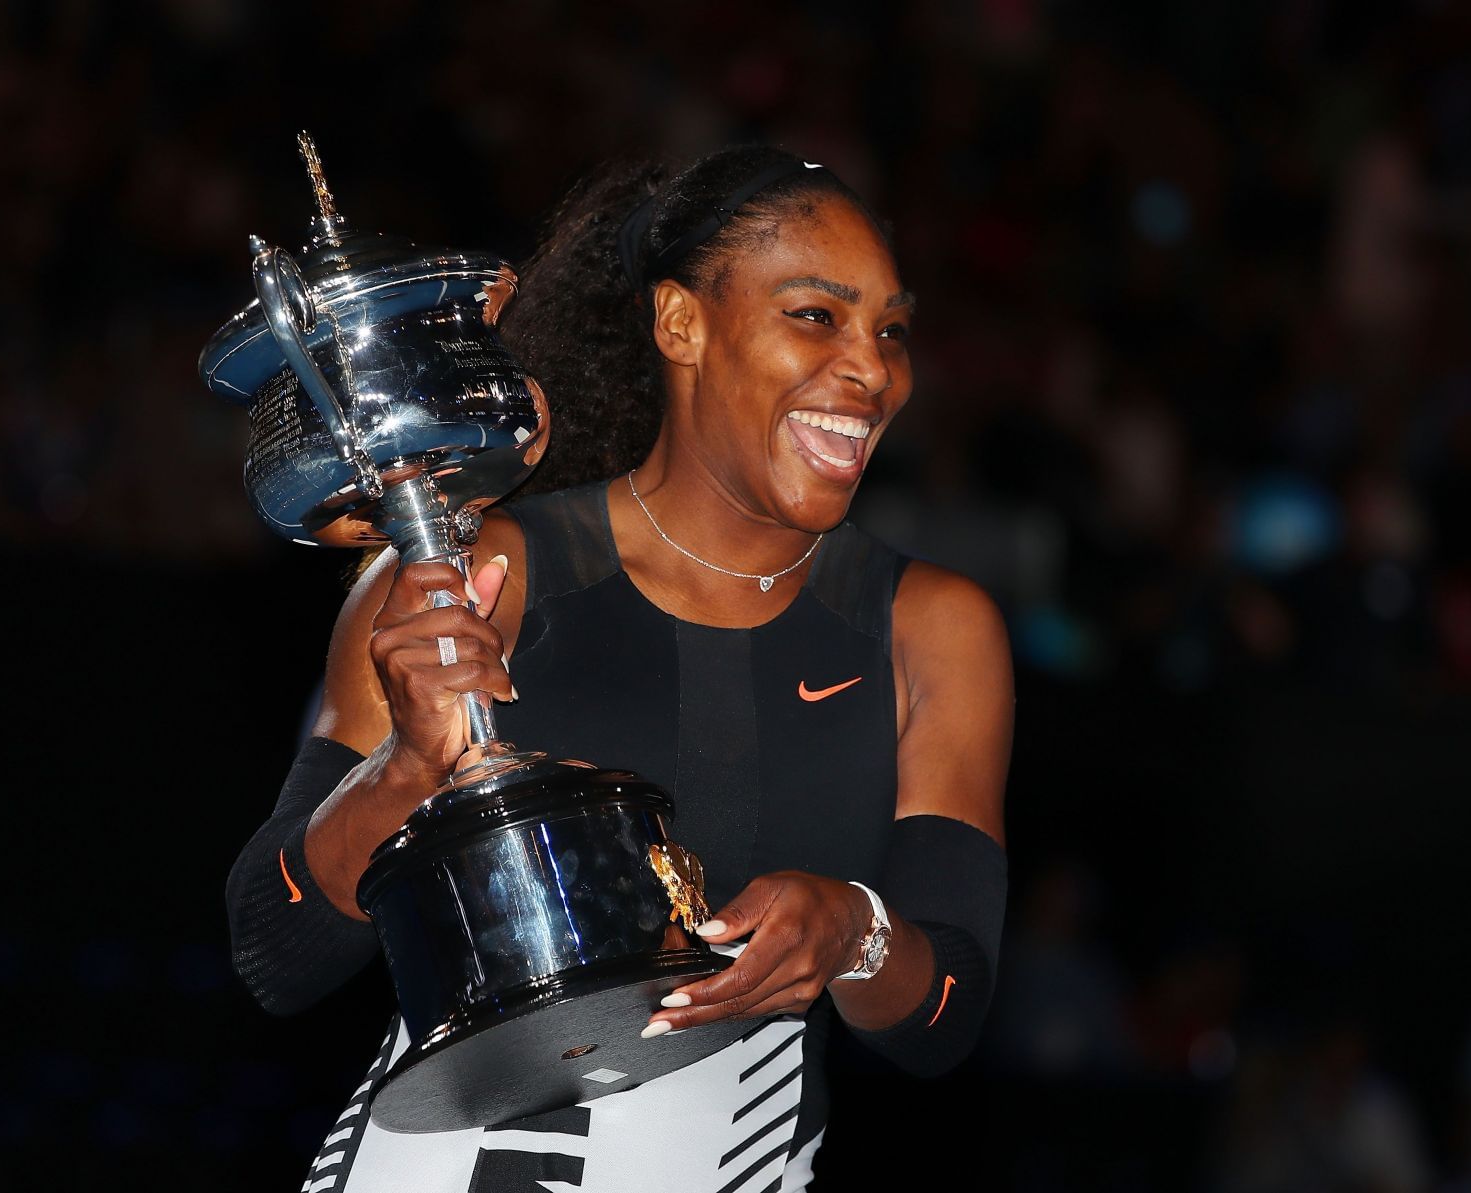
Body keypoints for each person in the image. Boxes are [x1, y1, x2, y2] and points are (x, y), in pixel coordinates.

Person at [225, 144, 1012, 1192]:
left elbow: (946, 1013)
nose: (872, 370)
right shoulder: (484, 572)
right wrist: (407, 767)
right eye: (816, 315)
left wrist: (853, 930)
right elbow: (273, 946)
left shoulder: (931, 627)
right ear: (681, 322)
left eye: (892, 330)